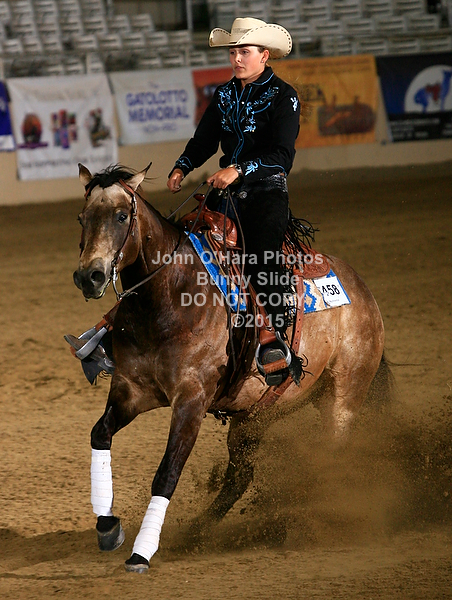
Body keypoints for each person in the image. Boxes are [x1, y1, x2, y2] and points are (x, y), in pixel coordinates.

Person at [167, 17, 302, 385]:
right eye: (233, 53)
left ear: (264, 55)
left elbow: (282, 156)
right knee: (183, 248)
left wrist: (239, 170)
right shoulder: (224, 94)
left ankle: (272, 338)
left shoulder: (284, 96)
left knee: (260, 256)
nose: (237, 59)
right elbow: (204, 141)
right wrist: (182, 166)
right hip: (227, 193)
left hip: (266, 193)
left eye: (244, 52)